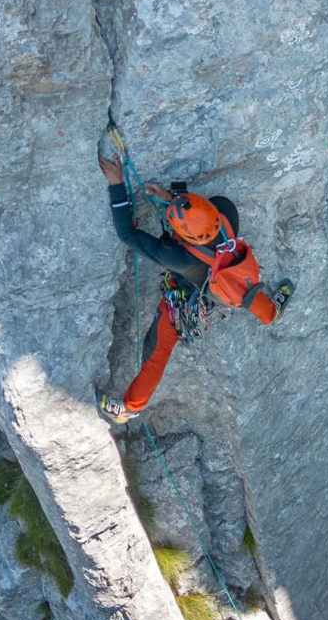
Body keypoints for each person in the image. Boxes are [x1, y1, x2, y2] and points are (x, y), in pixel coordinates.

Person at [96, 155, 289, 424]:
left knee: (156, 354)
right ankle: (272, 313)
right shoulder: (225, 211)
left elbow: (127, 234)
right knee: (245, 290)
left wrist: (117, 186)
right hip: (229, 274)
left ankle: (129, 409)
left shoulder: (178, 258)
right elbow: (195, 210)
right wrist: (168, 198)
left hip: (183, 299)